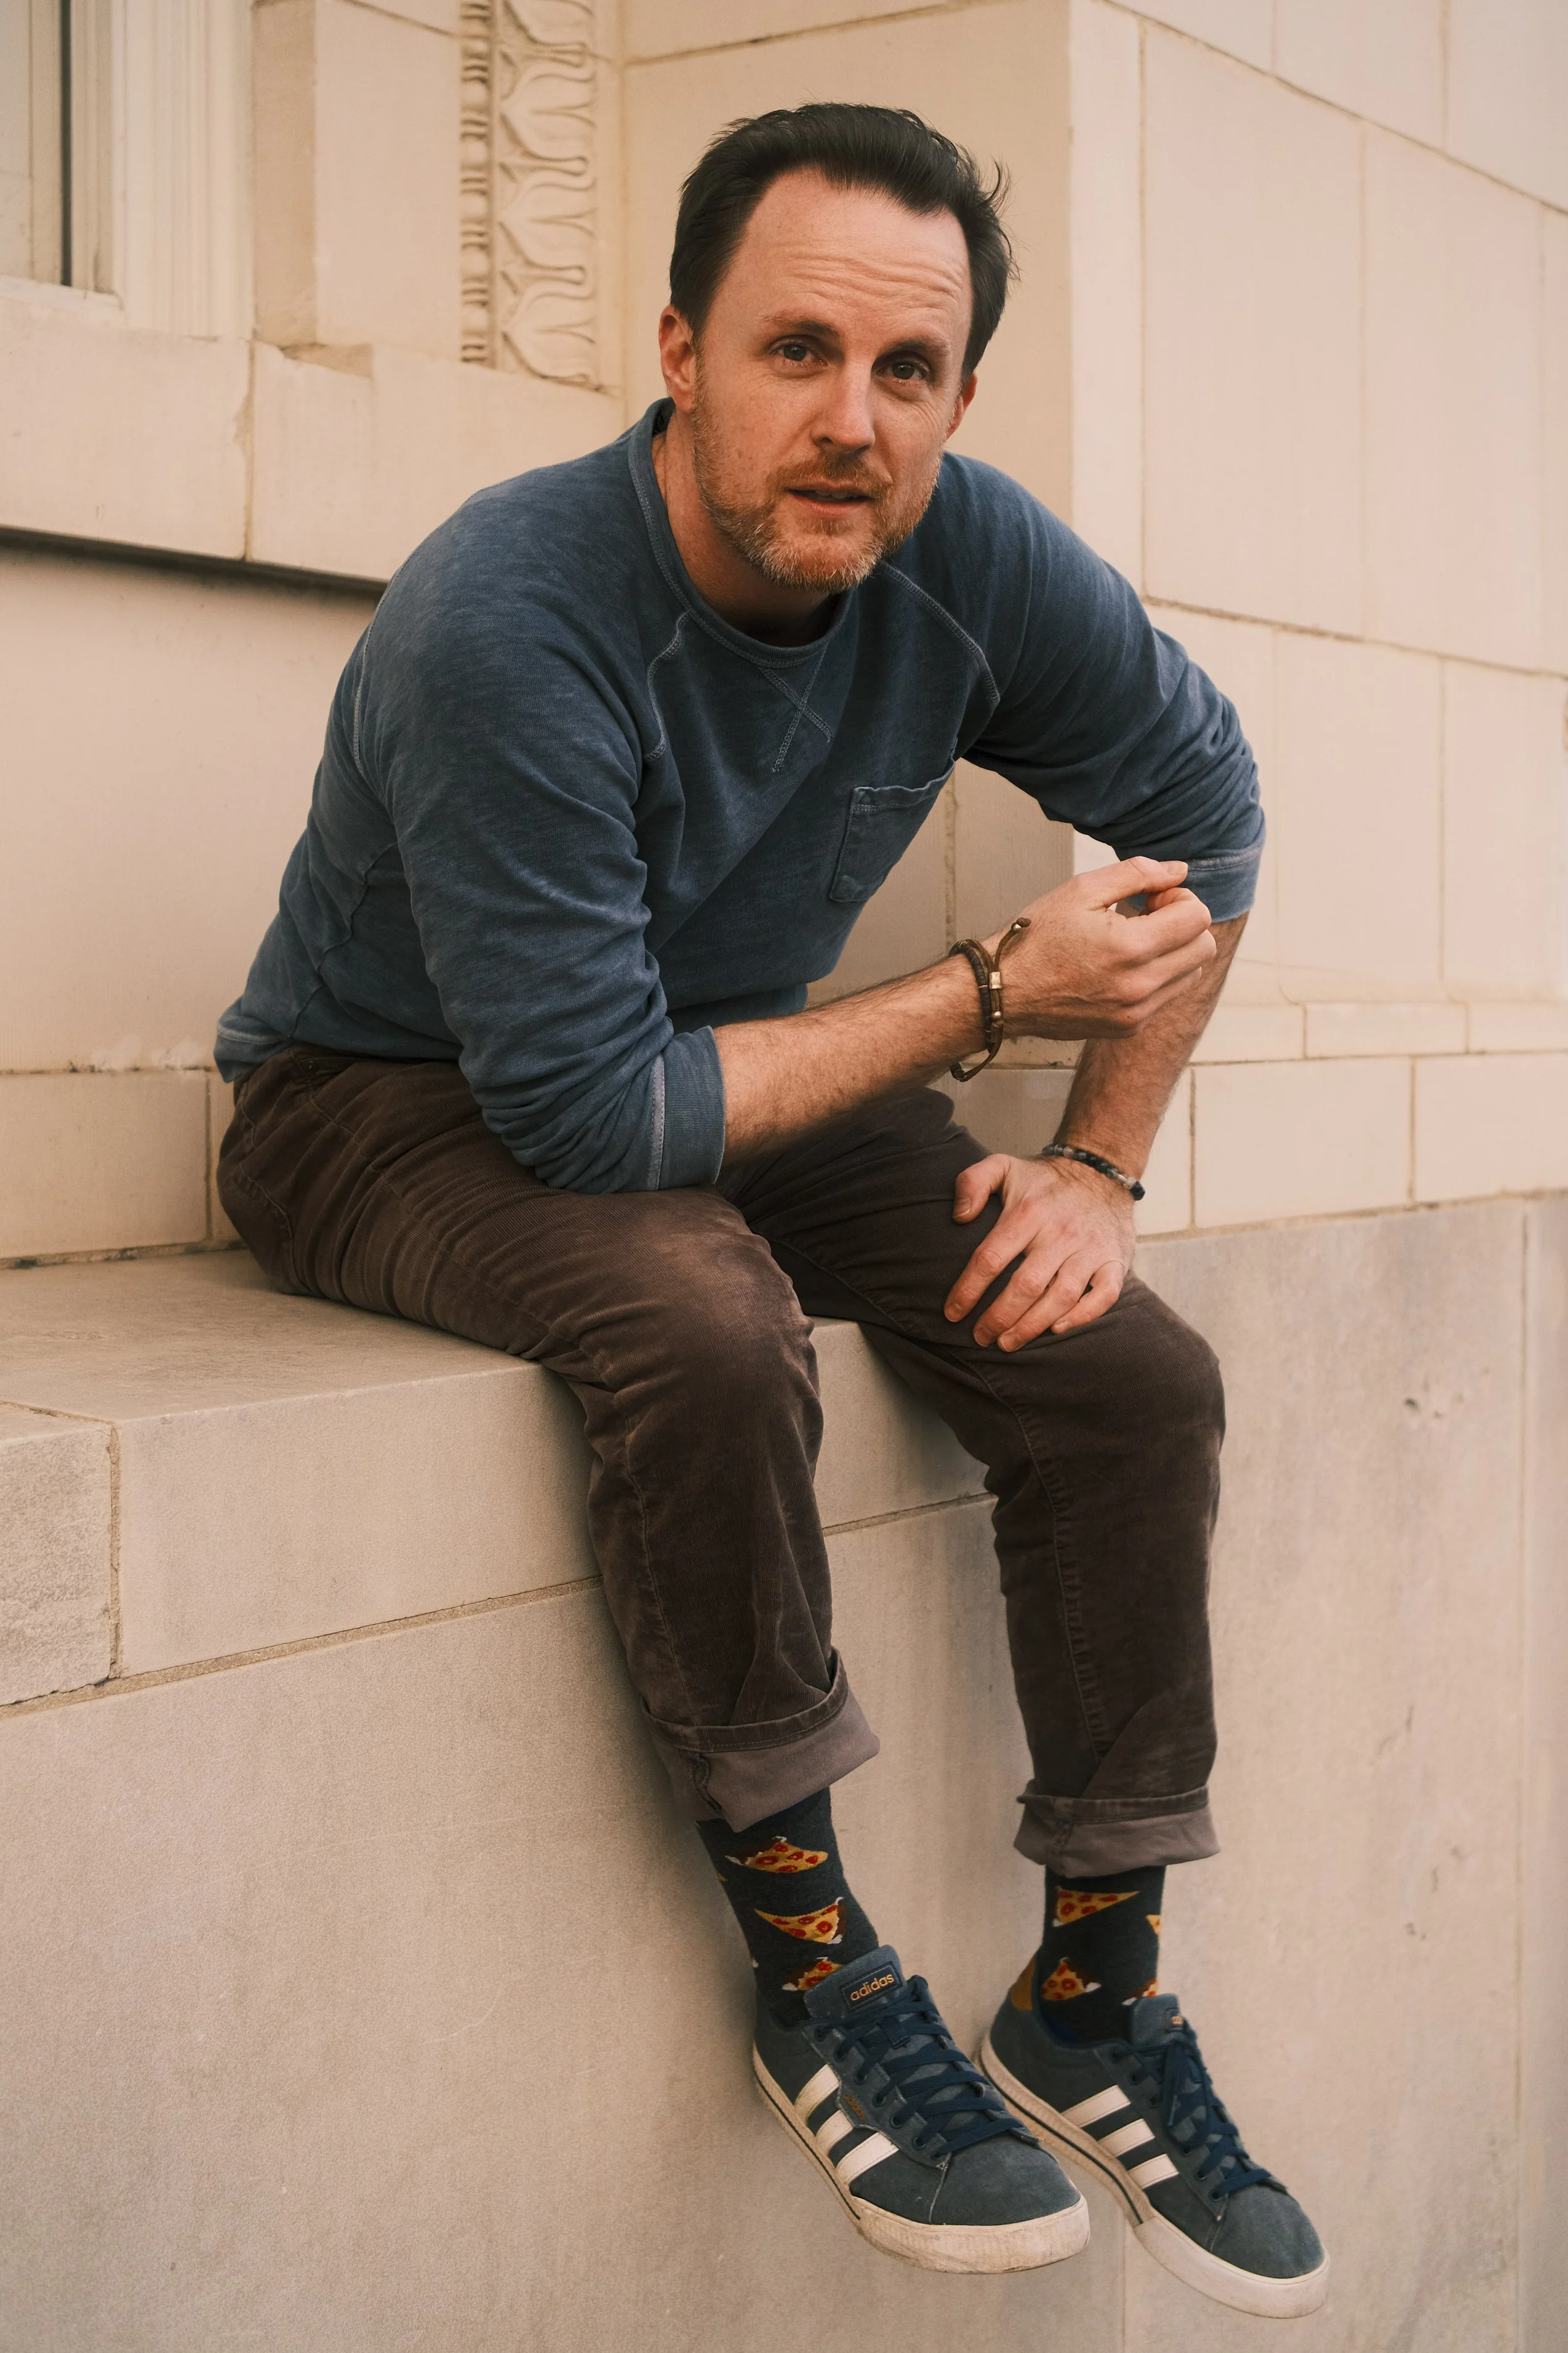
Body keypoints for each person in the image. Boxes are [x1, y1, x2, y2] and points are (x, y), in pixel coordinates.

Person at [215, 104, 1326, 2317]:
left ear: (957, 401)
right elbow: (598, 1114)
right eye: (793, 349)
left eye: (903, 375)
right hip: (381, 1100)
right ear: (678, 355)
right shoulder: (507, 612)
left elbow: (1202, 797)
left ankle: (1092, 1989)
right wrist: (995, 991)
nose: (848, 419)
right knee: (705, 1314)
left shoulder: (966, 550)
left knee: (1127, 1366)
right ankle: (816, 1968)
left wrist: (1095, 1160)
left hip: (715, 1055)